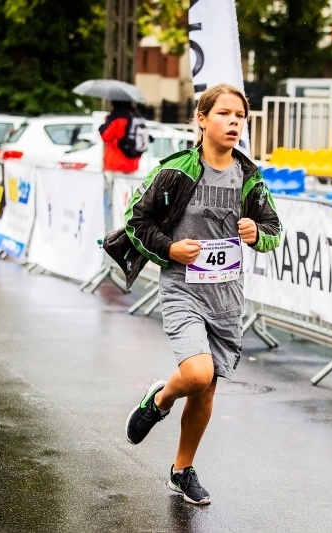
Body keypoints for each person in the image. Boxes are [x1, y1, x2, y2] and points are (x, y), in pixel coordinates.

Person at [102, 83, 282, 505]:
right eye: (224, 113)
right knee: (197, 374)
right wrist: (170, 248)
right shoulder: (176, 170)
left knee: (206, 389)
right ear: (202, 120)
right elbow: (136, 221)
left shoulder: (249, 176)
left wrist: (257, 234)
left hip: (227, 296)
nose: (234, 121)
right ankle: (160, 397)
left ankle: (182, 471)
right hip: (182, 288)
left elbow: (274, 229)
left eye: (240, 115)